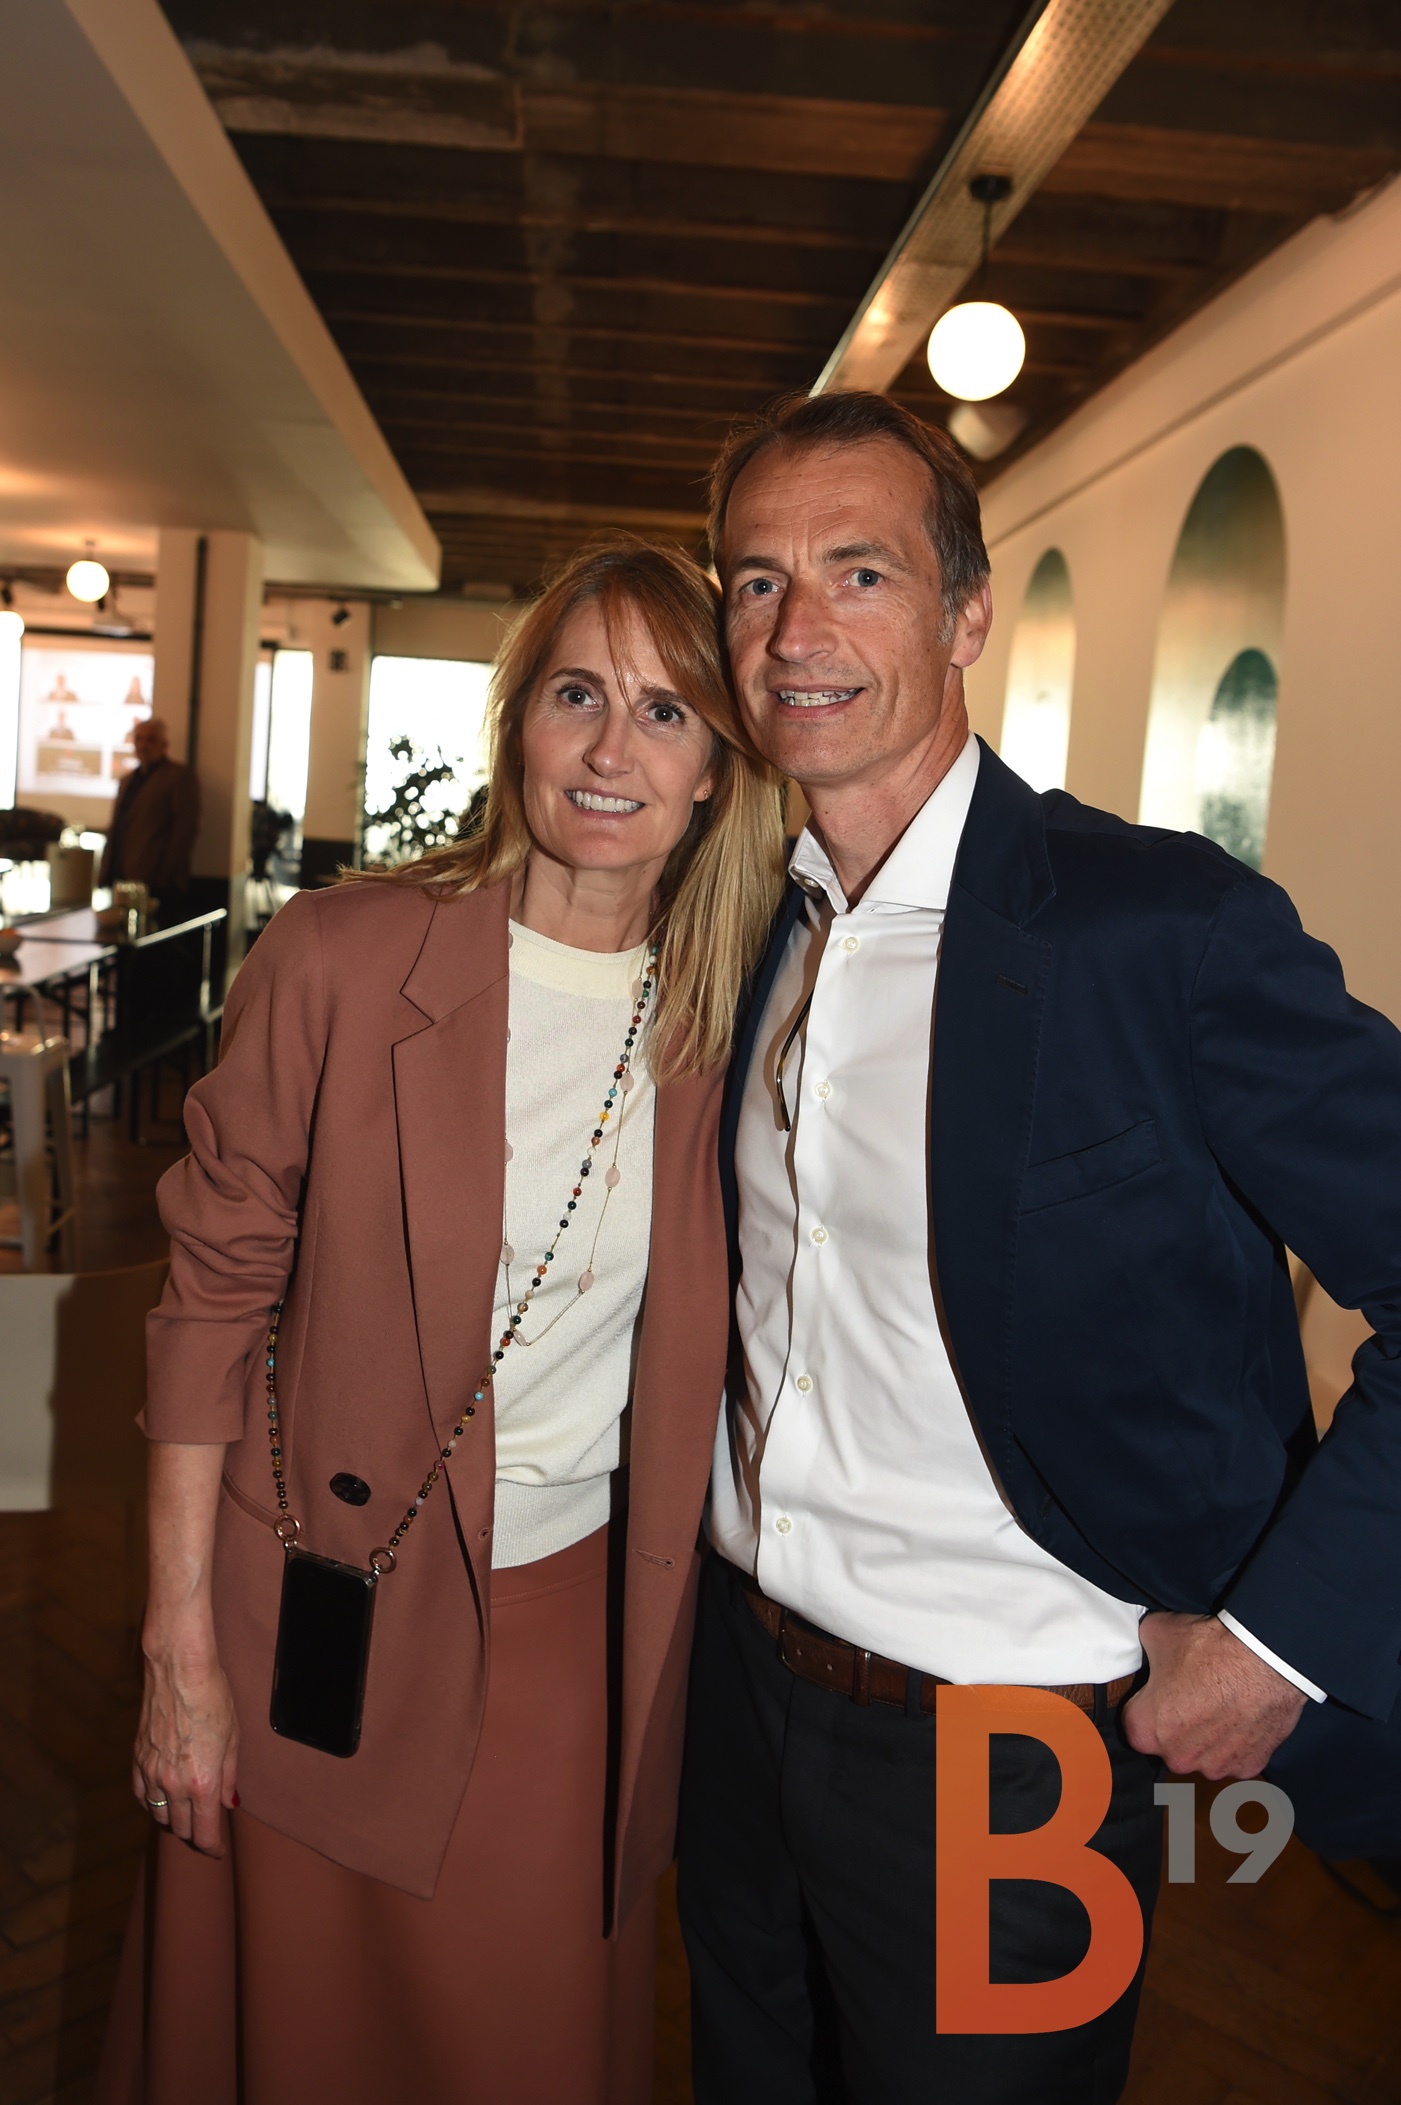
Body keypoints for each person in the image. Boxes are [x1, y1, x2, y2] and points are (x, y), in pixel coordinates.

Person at [676, 389, 1401, 2103]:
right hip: (740, 1692)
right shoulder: (754, 922)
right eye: (757, 581)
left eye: (858, 572)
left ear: (966, 618)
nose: (795, 630)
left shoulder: (1163, 930)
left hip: (1018, 1739)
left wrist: (1276, 1643)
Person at [95, 540, 784, 2105]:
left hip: (574, 1628)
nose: (611, 750)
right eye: (577, 694)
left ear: (717, 772)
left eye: (667, 714)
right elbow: (209, 1301)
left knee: (517, 2035)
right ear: (518, 719)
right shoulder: (345, 954)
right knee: (293, 2028)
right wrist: (176, 1643)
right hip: (312, 1600)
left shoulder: (732, 1017)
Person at [98, 716, 200, 902]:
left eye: (151, 740)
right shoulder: (127, 780)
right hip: (120, 878)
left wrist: (165, 875)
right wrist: (105, 870)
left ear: (164, 745)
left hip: (156, 883)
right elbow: (118, 826)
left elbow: (185, 830)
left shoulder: (178, 777)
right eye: (139, 739)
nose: (143, 746)